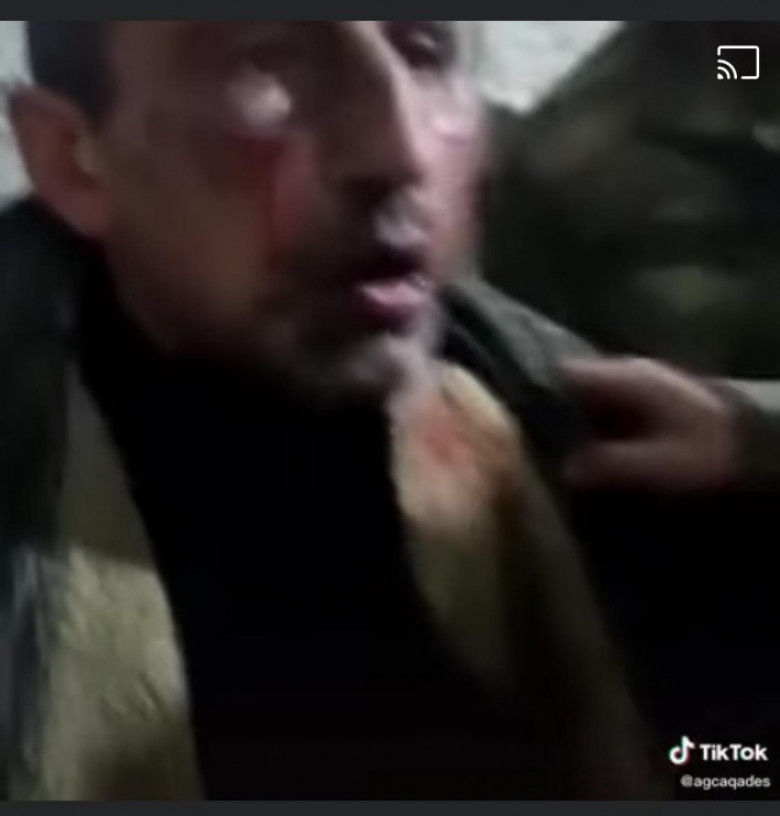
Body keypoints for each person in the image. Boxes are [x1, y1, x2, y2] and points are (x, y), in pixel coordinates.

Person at [1, 21, 778, 800]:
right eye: (270, 57)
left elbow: (728, 765)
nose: (399, 150)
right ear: (70, 156)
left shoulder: (595, 459)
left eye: (426, 50)